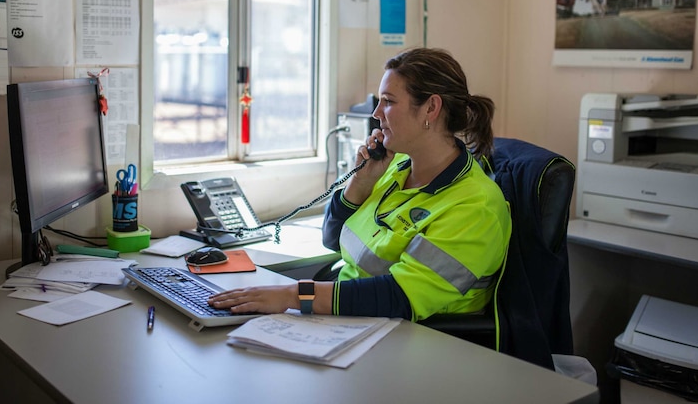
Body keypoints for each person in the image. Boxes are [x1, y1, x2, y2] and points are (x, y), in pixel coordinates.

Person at [208, 47, 511, 321]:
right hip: (355, 321)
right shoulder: (396, 169)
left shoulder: (474, 206)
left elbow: (399, 297)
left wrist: (292, 296)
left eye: (388, 102)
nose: (376, 115)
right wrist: (361, 181)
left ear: (431, 108)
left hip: (415, 341)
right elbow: (332, 238)